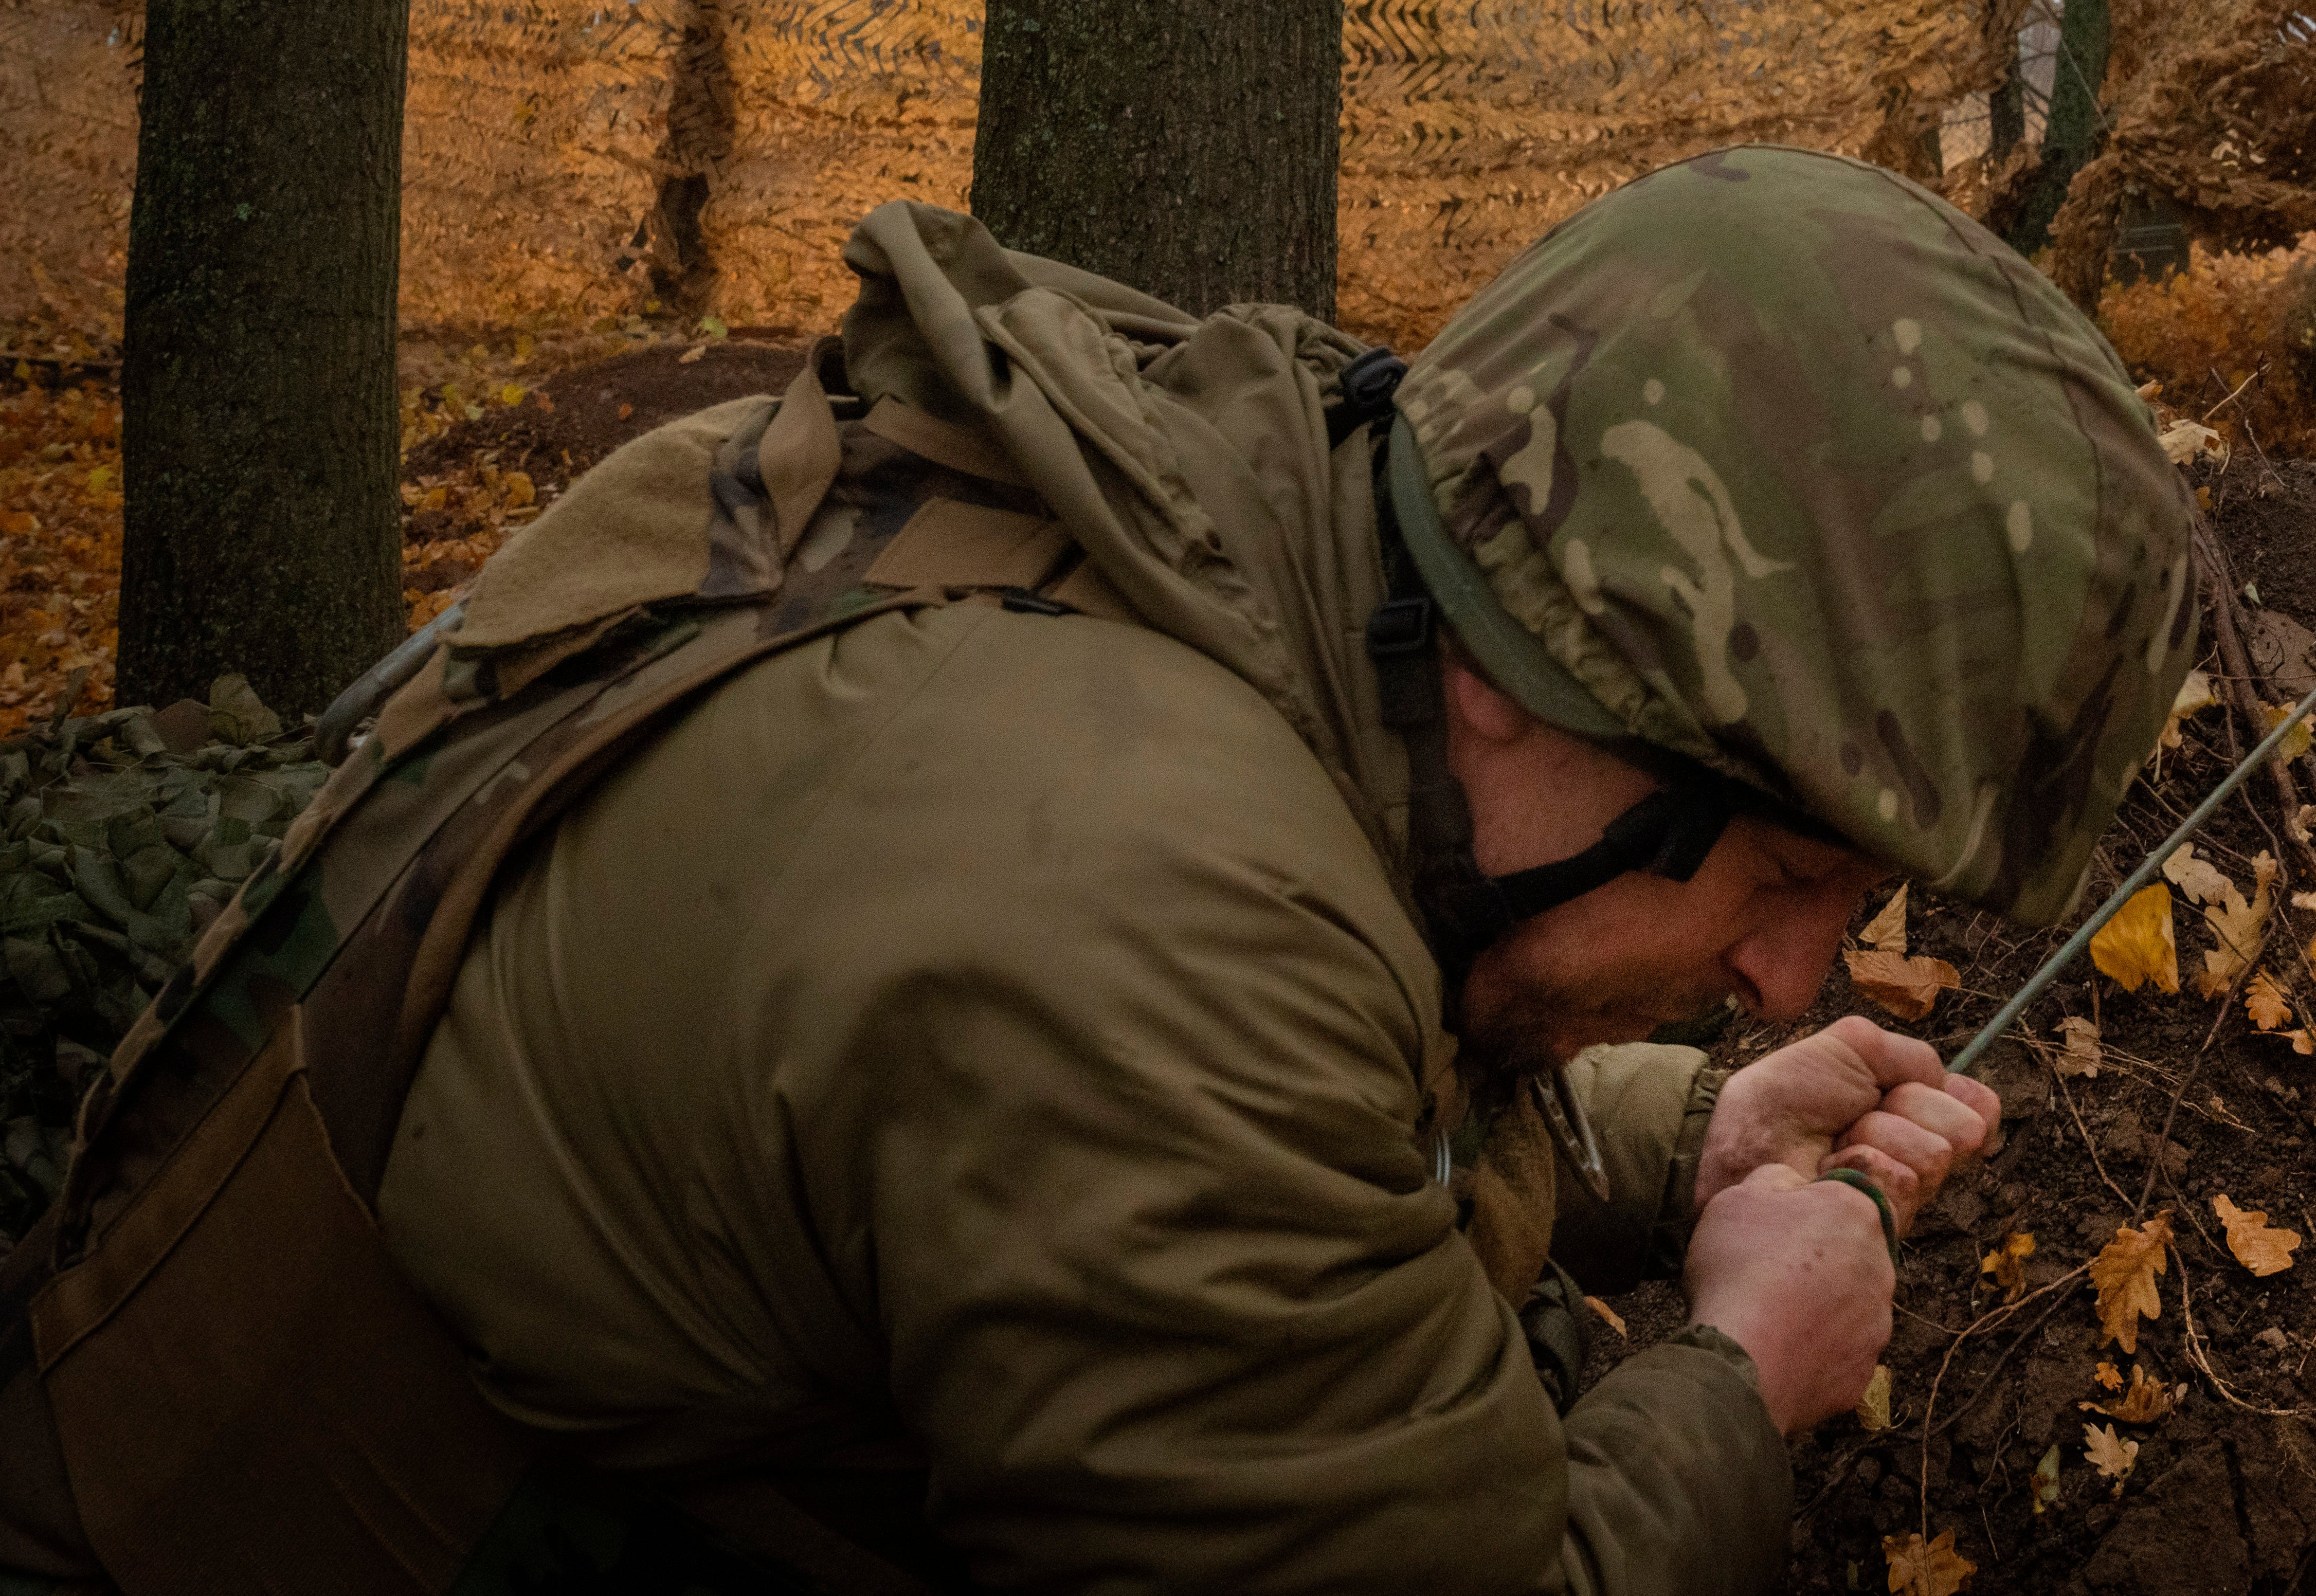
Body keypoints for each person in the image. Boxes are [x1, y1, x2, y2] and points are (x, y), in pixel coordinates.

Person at [0, 146, 2202, 1596]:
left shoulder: (1166, 516)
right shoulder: (1142, 923)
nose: (1790, 969)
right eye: (1790, 871)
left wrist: (1674, 1137)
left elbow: (1267, 1092)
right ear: (1542, 682)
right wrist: (1735, 1375)